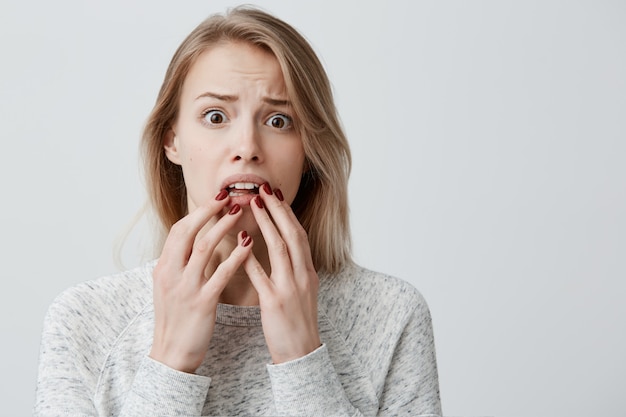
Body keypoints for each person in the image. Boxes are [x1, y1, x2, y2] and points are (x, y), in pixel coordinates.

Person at [34, 6, 441, 416]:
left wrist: (303, 360)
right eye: (215, 116)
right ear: (171, 141)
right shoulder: (83, 321)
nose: (247, 146)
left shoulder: (392, 315)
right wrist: (170, 363)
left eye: (279, 120)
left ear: (310, 151)